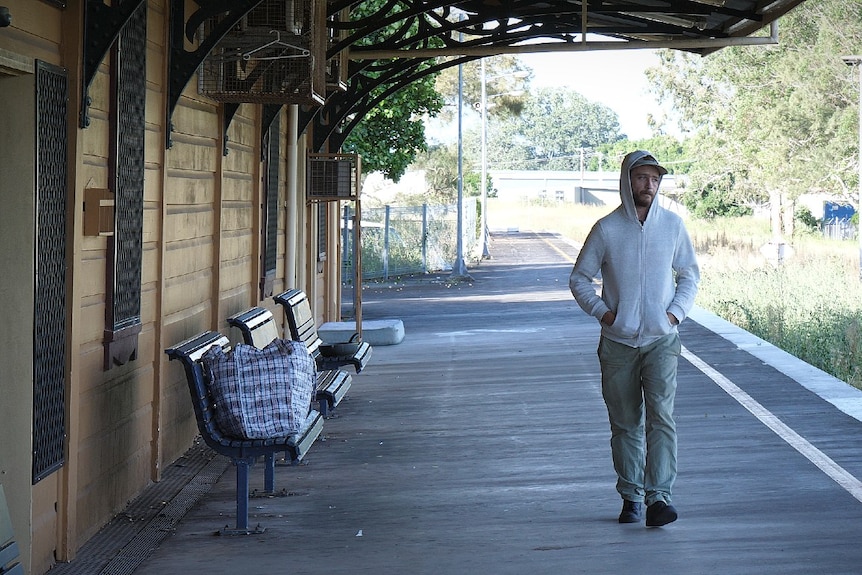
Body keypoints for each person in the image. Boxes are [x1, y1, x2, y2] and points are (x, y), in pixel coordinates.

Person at [569, 150, 699, 527]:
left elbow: (689, 274)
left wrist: (674, 313)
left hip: (662, 340)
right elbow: (579, 278)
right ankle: (631, 497)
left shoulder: (673, 226)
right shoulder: (606, 229)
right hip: (618, 343)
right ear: (627, 181)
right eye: (641, 177)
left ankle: (659, 497)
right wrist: (605, 313)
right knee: (625, 423)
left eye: (655, 178)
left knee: (662, 419)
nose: (649, 185)